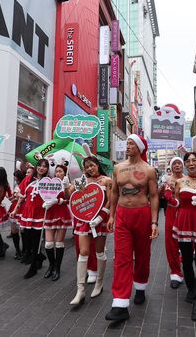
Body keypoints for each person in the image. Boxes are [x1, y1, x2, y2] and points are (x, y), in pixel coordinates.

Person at [105, 134, 159, 322]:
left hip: (141, 214)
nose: (127, 146)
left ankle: (141, 287)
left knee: (143, 254)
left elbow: (154, 197)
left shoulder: (149, 170)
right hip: (122, 215)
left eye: (131, 143)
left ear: (139, 147)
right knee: (121, 257)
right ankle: (120, 303)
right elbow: (114, 192)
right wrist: (111, 215)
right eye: (127, 143)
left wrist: (154, 222)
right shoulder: (118, 167)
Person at [169, 152, 196, 322]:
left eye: (195, 160)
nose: (191, 163)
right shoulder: (179, 182)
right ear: (185, 165)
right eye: (188, 161)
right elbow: (178, 202)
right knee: (186, 260)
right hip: (184, 222)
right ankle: (191, 288)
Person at [70, 156, 112, 305]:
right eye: (86, 167)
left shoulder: (106, 180)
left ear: (97, 165)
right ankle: (80, 290)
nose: (89, 169)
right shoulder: (82, 181)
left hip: (99, 221)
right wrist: (68, 184)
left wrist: (101, 217)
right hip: (84, 221)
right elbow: (72, 195)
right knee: (84, 252)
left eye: (92, 165)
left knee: (99, 252)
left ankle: (99, 284)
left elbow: (111, 200)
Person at [10, 159, 49, 279]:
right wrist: (15, 210)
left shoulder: (48, 181)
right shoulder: (28, 179)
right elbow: (21, 196)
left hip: (40, 213)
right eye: (40, 166)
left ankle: (33, 267)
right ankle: (39, 257)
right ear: (37, 167)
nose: (42, 168)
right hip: (28, 212)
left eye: (44, 166)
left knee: (36, 242)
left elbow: (52, 197)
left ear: (47, 169)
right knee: (28, 239)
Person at [42, 163, 72, 281]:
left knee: (59, 243)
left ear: (65, 173)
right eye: (56, 171)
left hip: (61, 213)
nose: (58, 173)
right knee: (48, 244)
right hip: (50, 212)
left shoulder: (67, 184)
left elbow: (69, 199)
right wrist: (46, 202)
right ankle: (51, 265)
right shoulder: (49, 182)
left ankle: (57, 268)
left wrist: (59, 199)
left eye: (60, 171)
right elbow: (43, 194)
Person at [158, 157, 184, 289]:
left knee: (187, 241)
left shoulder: (188, 179)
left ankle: (185, 261)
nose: (177, 165)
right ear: (171, 166)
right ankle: (175, 272)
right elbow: (158, 196)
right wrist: (163, 188)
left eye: (179, 163)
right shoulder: (166, 180)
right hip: (171, 212)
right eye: (175, 163)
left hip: (186, 212)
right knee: (171, 241)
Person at [9, 170, 26, 260]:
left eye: (16, 176)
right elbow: (13, 198)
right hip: (14, 207)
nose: (15, 178)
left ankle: (24, 251)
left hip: (22, 208)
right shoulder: (16, 185)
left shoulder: (25, 184)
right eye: (15, 176)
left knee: (23, 231)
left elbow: (23, 197)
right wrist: (10, 197)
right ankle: (17, 251)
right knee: (14, 231)